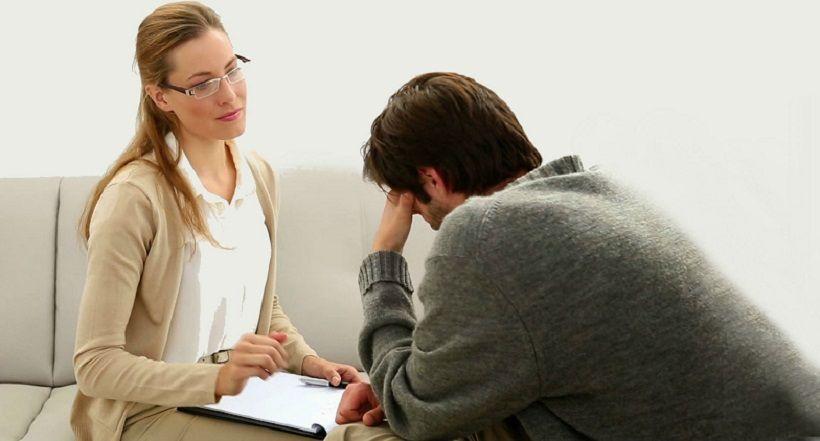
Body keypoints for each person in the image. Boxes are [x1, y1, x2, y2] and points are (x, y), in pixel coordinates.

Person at [330, 72, 820, 440]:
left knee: (358, 436)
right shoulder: (607, 195)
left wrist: (383, 260)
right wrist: (422, 388)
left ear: (431, 179)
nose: (420, 217)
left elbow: (414, 411)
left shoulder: (483, 232)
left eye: (410, 203)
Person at [71, 2, 360, 440]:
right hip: (149, 412)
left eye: (232, 70)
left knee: (376, 428)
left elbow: (262, 305)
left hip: (246, 397)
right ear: (161, 96)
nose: (229, 94)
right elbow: (95, 364)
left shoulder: (258, 175)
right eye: (202, 84)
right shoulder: (134, 198)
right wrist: (216, 380)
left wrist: (308, 362)